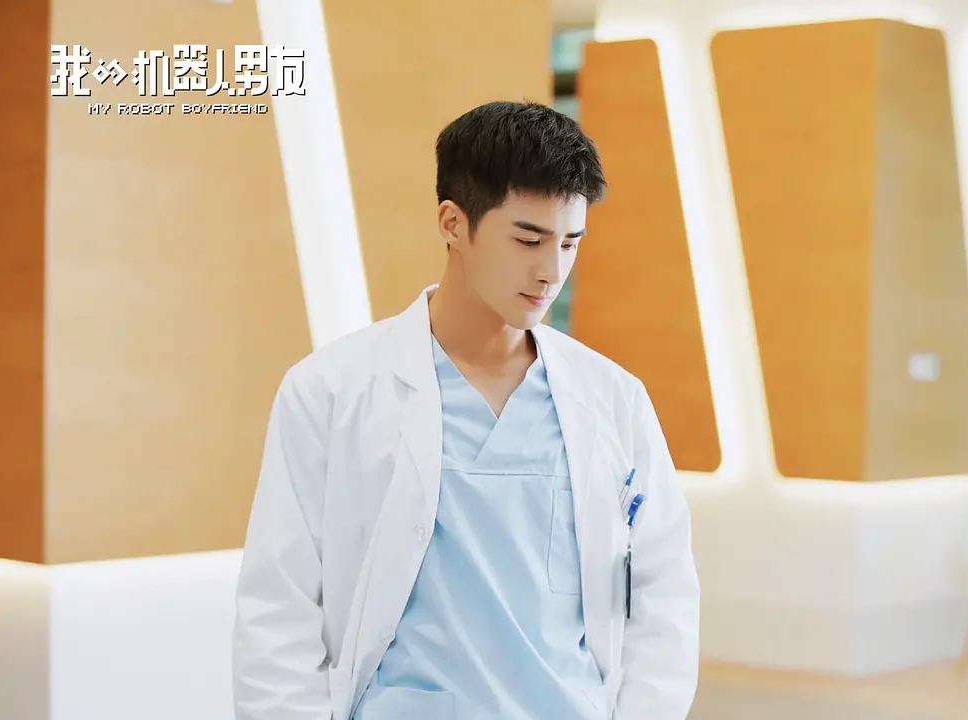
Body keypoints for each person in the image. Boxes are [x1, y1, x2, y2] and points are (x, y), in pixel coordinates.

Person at [232, 100, 700, 720]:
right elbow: (279, 610)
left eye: (569, 243)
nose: (551, 270)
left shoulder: (613, 399)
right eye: (528, 239)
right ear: (453, 222)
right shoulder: (330, 392)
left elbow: (664, 598)